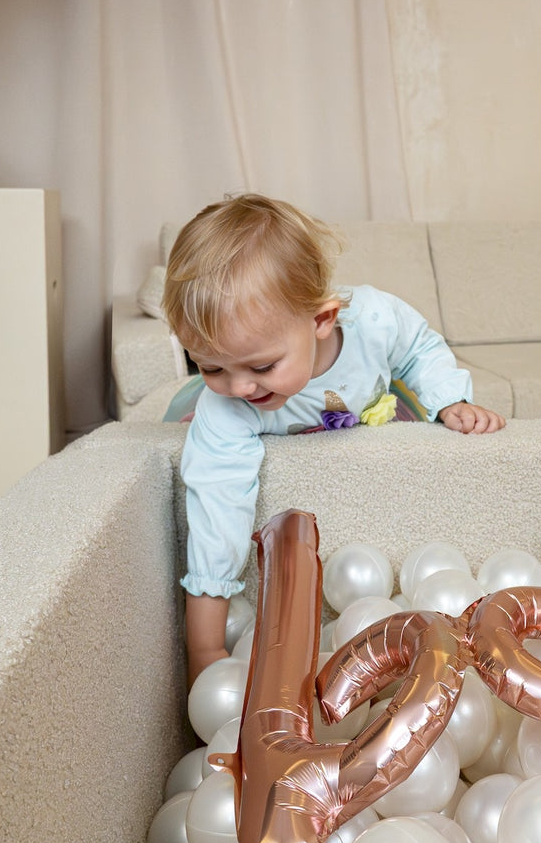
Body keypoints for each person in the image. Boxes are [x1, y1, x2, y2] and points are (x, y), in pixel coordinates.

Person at [162, 193, 505, 685]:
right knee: (199, 453)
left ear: (321, 321)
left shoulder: (374, 321)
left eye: (261, 367)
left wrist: (451, 400)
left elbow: (419, 348)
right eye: (210, 366)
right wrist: (205, 650)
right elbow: (217, 520)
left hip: (360, 410)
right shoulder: (226, 407)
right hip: (232, 432)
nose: (239, 387)